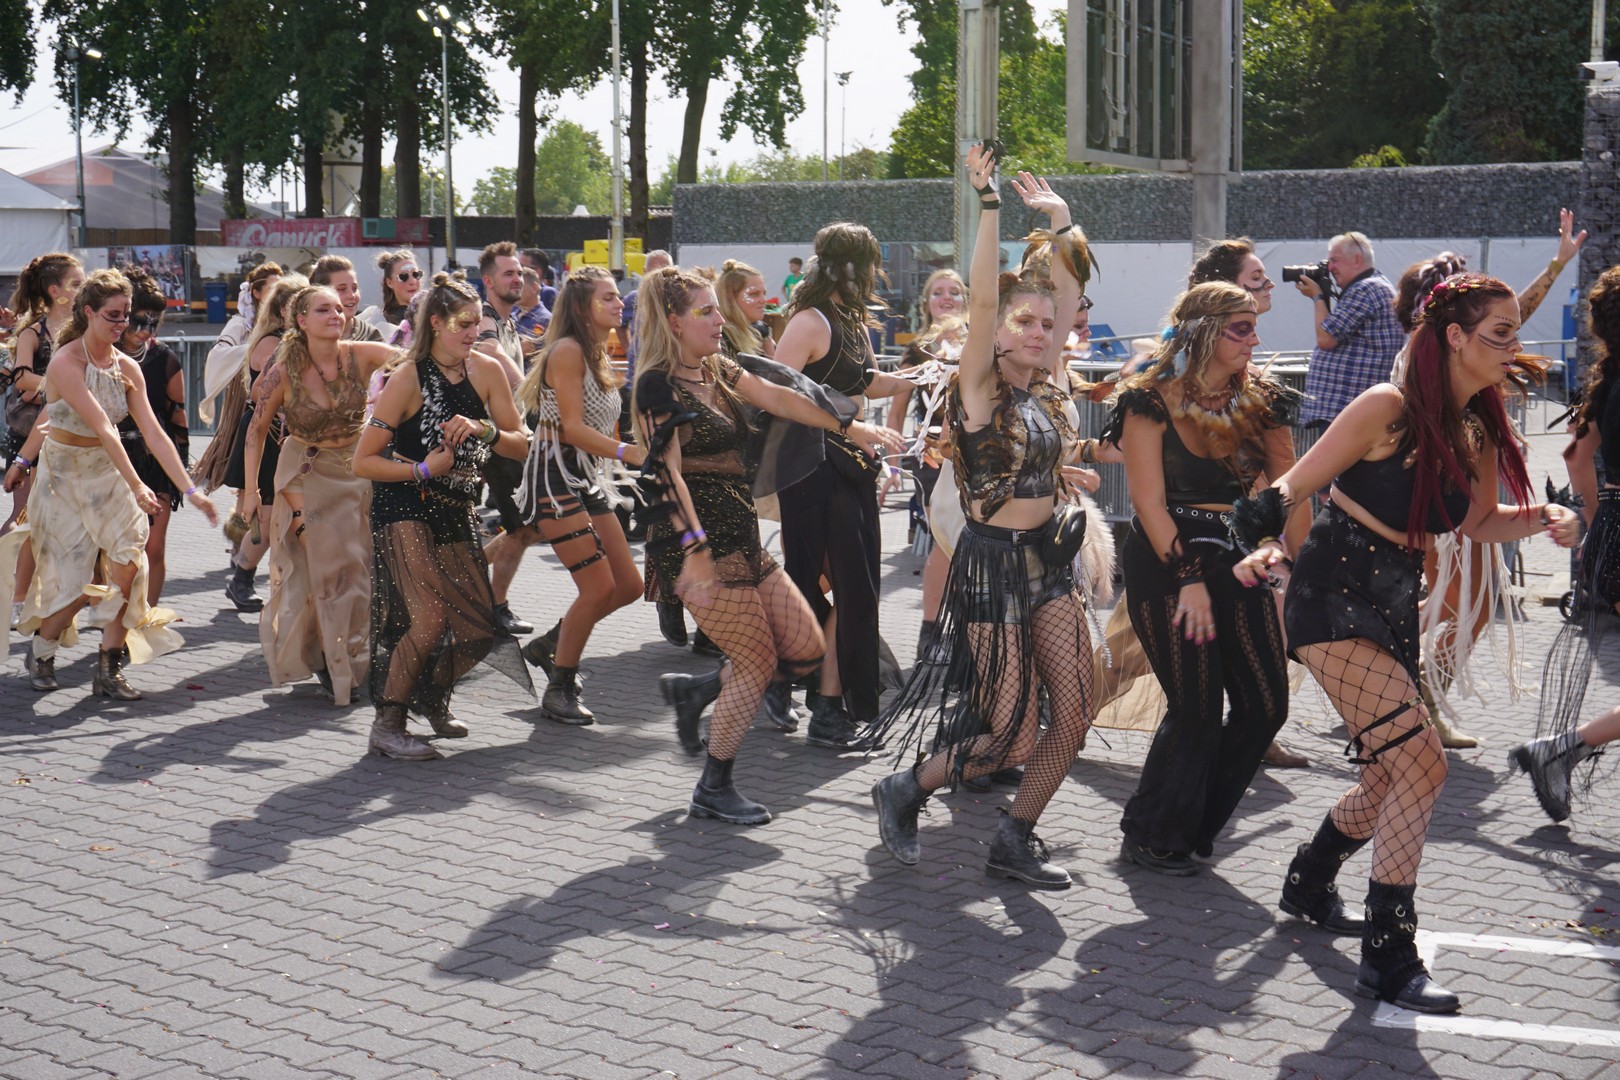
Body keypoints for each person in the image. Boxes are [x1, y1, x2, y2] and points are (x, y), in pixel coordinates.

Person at [1231, 272, 1578, 1013]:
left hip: (1391, 605)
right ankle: (1389, 954)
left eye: (1514, 334)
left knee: (1391, 777)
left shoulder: (1474, 429)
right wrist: (1262, 545)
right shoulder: (1386, 408)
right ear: (1454, 337)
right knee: (1422, 761)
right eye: (1499, 333)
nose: (1513, 347)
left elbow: (1479, 522)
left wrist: (1546, 517)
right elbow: (1283, 492)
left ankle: (1309, 879)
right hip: (1329, 596)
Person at [868, 150, 1097, 890]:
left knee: (1076, 713)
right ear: (994, 331)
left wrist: (1061, 220)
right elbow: (991, 296)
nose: (1037, 330)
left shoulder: (1047, 382)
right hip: (991, 568)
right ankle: (906, 786)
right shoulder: (979, 387)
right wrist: (990, 206)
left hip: (1049, 563)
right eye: (1022, 321)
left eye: (1046, 324)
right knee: (1010, 734)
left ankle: (1014, 836)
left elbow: (1067, 288)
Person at [634, 267, 902, 823]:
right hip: (695, 545)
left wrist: (849, 427)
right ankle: (713, 786)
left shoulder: (717, 367)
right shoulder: (656, 386)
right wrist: (696, 553)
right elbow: (667, 475)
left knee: (804, 648)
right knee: (755, 662)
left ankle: (699, 692)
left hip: (741, 534)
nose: (719, 319)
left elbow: (779, 396)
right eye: (706, 311)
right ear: (674, 322)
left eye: (717, 307)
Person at [1106, 282, 1300, 875]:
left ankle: (1191, 822)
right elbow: (1148, 504)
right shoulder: (1148, 400)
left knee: (1265, 704)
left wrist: (1288, 556)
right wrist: (1188, 577)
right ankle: (1153, 833)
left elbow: (1290, 486)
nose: (1254, 339)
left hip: (1239, 556)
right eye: (1241, 328)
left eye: (1254, 327)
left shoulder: (1262, 400)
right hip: (1168, 561)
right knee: (1196, 707)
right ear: (1204, 332)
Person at [1, 269, 218, 698]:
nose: (123, 325)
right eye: (113, 316)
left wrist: (191, 491)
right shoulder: (65, 363)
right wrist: (137, 485)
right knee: (75, 585)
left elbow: (154, 432)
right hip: (65, 478)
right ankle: (43, 649)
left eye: (127, 316)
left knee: (129, 569)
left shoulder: (127, 367)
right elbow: (103, 427)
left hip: (109, 476)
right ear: (88, 312)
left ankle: (109, 666)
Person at [353, 273, 532, 759]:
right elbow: (363, 461)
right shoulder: (407, 377)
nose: (474, 332)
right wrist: (422, 468)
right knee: (429, 618)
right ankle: (388, 724)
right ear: (435, 323)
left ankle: (430, 695)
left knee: (477, 630)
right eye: (463, 324)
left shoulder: (487, 370)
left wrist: (483, 429)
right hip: (404, 501)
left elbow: (520, 443)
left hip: (456, 504)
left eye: (477, 323)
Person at [772, 223, 915, 747]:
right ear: (847, 267)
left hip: (849, 468)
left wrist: (922, 378)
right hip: (811, 468)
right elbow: (776, 393)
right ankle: (812, 696)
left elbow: (866, 383)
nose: (875, 275)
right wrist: (850, 427)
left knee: (854, 589)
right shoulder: (808, 321)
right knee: (831, 584)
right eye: (869, 264)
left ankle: (812, 692)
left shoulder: (851, 322)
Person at [241, 285, 399, 707]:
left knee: (357, 569)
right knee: (331, 570)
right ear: (301, 321)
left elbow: (416, 363)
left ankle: (334, 652)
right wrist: (251, 491)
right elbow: (256, 430)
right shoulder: (283, 370)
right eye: (323, 310)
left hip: (356, 472)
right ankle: (337, 664)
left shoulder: (362, 354)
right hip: (303, 474)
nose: (336, 315)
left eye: (338, 309)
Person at [513, 266, 646, 724]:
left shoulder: (596, 349)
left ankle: (551, 644)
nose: (619, 303)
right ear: (582, 307)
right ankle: (560, 686)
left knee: (629, 586)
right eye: (607, 297)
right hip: (554, 477)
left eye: (617, 296)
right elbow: (572, 429)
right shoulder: (568, 350)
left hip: (584, 476)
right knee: (599, 588)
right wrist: (630, 452)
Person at [1515, 262, 1620, 823]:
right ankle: (1559, 750)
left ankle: (1560, 750)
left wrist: (1602, 520)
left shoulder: (1608, 383)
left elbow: (1576, 455)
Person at [200, 274, 305, 614]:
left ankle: (272, 583)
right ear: (282, 309)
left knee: (290, 515)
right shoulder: (271, 343)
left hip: (292, 436)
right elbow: (261, 392)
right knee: (269, 514)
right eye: (298, 306)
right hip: (269, 433)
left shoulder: (303, 341)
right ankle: (242, 577)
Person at [4, 253, 85, 627]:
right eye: (77, 284)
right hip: (31, 438)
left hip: (73, 437)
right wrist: (65, 386)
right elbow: (21, 378)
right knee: (26, 519)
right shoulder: (32, 332)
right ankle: (17, 597)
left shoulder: (86, 329)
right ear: (56, 291)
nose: (84, 289)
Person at [473, 241, 538, 638]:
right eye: (509, 273)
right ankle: (494, 606)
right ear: (488, 281)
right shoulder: (484, 318)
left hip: (510, 436)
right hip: (496, 441)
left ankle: (471, 582)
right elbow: (490, 350)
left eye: (520, 273)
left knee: (527, 527)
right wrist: (528, 386)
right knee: (522, 527)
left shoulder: (508, 321)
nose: (518, 279)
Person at [113, 269, 189, 606]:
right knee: (113, 547)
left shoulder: (164, 358)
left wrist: (179, 471)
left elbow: (177, 416)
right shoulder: (97, 355)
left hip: (155, 460)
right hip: (111, 460)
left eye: (154, 323)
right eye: (139, 322)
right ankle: (114, 615)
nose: (146, 331)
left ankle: (147, 616)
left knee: (154, 546)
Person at [1296, 233, 1407, 434]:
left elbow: (1326, 338)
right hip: (1351, 409)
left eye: (1334, 260)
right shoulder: (1373, 285)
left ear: (1357, 260)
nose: (1329, 268)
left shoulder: (1366, 289)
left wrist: (1317, 297)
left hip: (1348, 410)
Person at [310, 255, 386, 343]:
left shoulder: (371, 337)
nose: (351, 295)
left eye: (354, 288)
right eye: (342, 289)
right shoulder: (305, 336)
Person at [623, 250, 674, 382]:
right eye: (653, 271)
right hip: (636, 377)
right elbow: (620, 324)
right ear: (644, 271)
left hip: (669, 376)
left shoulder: (678, 300)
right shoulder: (634, 299)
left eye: (664, 272)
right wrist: (627, 347)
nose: (658, 277)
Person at [357, 251, 422, 339]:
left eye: (416, 274)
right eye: (403, 277)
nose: (412, 281)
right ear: (389, 283)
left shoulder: (433, 313)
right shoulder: (378, 321)